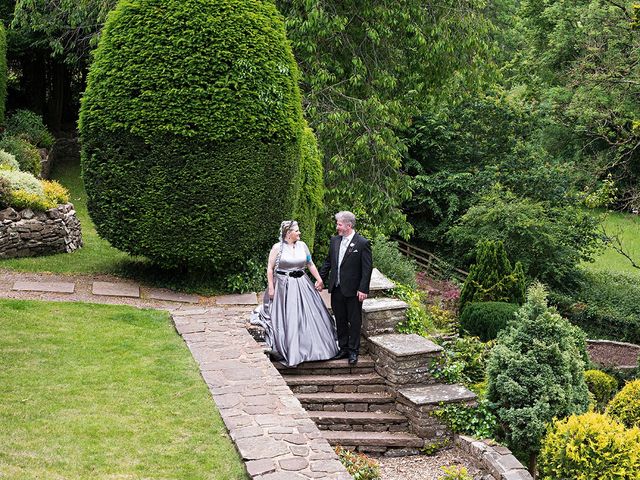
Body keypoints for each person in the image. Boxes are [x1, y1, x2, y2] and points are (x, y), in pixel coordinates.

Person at [251, 220, 339, 367]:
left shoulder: (303, 246)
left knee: (310, 315)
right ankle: (293, 350)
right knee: (290, 316)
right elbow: (270, 268)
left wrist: (319, 279)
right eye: (296, 231)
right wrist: (271, 287)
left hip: (303, 284)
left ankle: (315, 349)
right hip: (284, 286)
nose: (299, 233)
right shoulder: (277, 248)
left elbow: (310, 264)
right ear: (288, 233)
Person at [318, 211, 373, 365]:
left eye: (339, 224)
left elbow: (367, 268)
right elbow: (328, 262)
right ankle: (343, 349)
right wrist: (320, 279)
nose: (337, 227)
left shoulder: (362, 243)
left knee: (354, 321)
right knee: (340, 319)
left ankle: (353, 352)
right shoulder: (334, 241)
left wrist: (363, 289)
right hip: (336, 288)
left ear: (348, 225)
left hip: (354, 290)